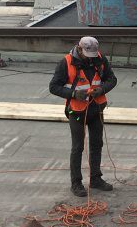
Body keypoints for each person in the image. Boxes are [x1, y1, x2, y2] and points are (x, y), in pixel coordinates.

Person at [48, 35, 117, 197]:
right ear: (80, 49)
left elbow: (111, 79)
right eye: (87, 54)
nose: (90, 58)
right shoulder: (66, 63)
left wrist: (102, 90)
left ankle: (95, 179)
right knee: (78, 147)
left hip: (96, 109)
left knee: (96, 144)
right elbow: (53, 87)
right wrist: (73, 94)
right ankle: (76, 183)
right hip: (77, 112)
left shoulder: (100, 59)